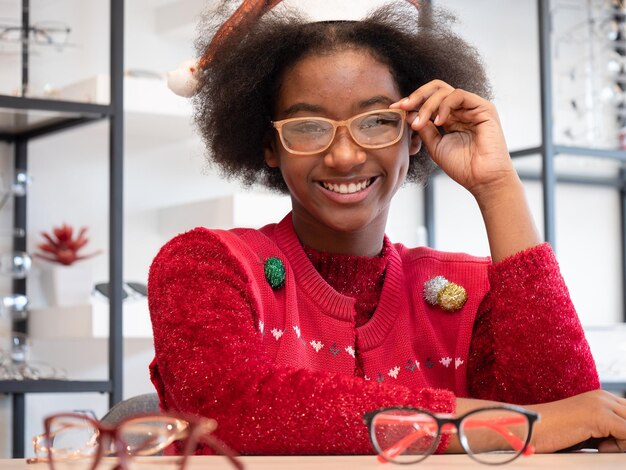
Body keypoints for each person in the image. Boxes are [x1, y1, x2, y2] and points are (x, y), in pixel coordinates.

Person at [149, 0, 626, 456]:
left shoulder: (468, 293)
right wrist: (497, 425)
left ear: (415, 133)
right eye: (309, 126)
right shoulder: (205, 266)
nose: (344, 156)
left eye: (378, 121)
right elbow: (230, 411)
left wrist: (498, 186)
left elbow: (567, 417)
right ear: (269, 146)